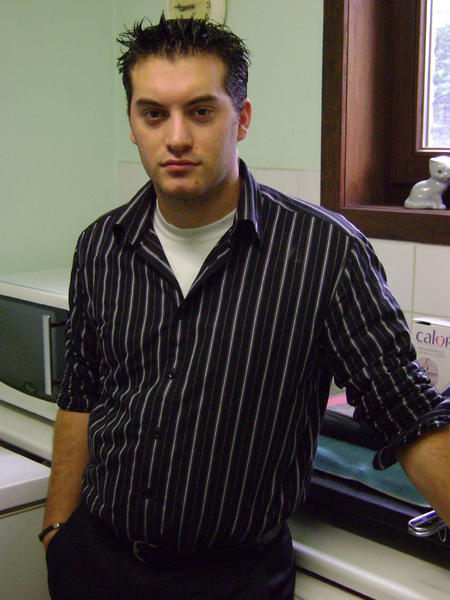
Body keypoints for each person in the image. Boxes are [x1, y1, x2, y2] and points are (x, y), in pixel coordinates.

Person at [41, 15, 449, 600]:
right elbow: (81, 395)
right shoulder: (101, 246)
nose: (176, 137)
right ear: (132, 124)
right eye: (153, 113)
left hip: (234, 580)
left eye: (201, 112)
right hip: (97, 564)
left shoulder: (326, 253)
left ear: (243, 118)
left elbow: (407, 414)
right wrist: (57, 530)